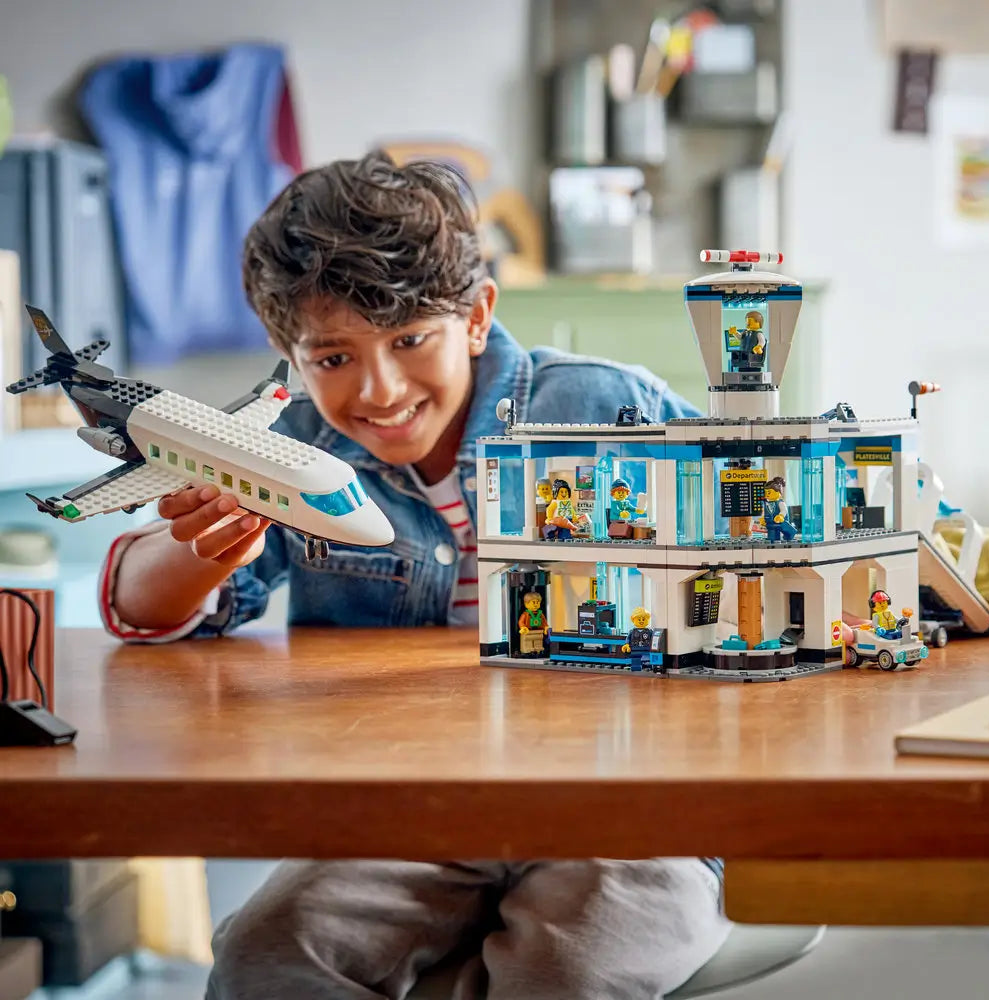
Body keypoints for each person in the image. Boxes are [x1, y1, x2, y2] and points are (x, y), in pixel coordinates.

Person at [99, 151, 729, 1000]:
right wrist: (199, 547)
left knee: (565, 971)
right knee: (266, 959)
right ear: (291, 357)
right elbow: (147, 611)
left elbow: (770, 524)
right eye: (333, 359)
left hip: (630, 808)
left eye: (409, 340)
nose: (381, 388)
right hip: (410, 817)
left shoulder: (616, 409)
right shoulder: (295, 459)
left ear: (476, 318)